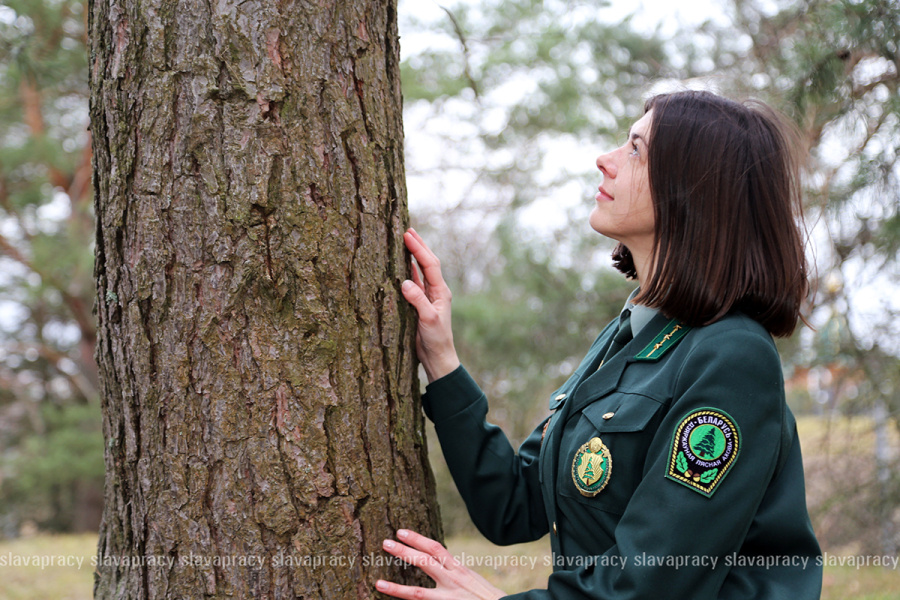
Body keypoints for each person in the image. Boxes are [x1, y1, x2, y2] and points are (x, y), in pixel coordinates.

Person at [375, 90, 823, 600]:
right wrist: (442, 362)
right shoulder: (629, 336)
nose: (605, 160)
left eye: (635, 149)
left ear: (692, 189)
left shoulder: (732, 356)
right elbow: (515, 506)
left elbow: (652, 581)